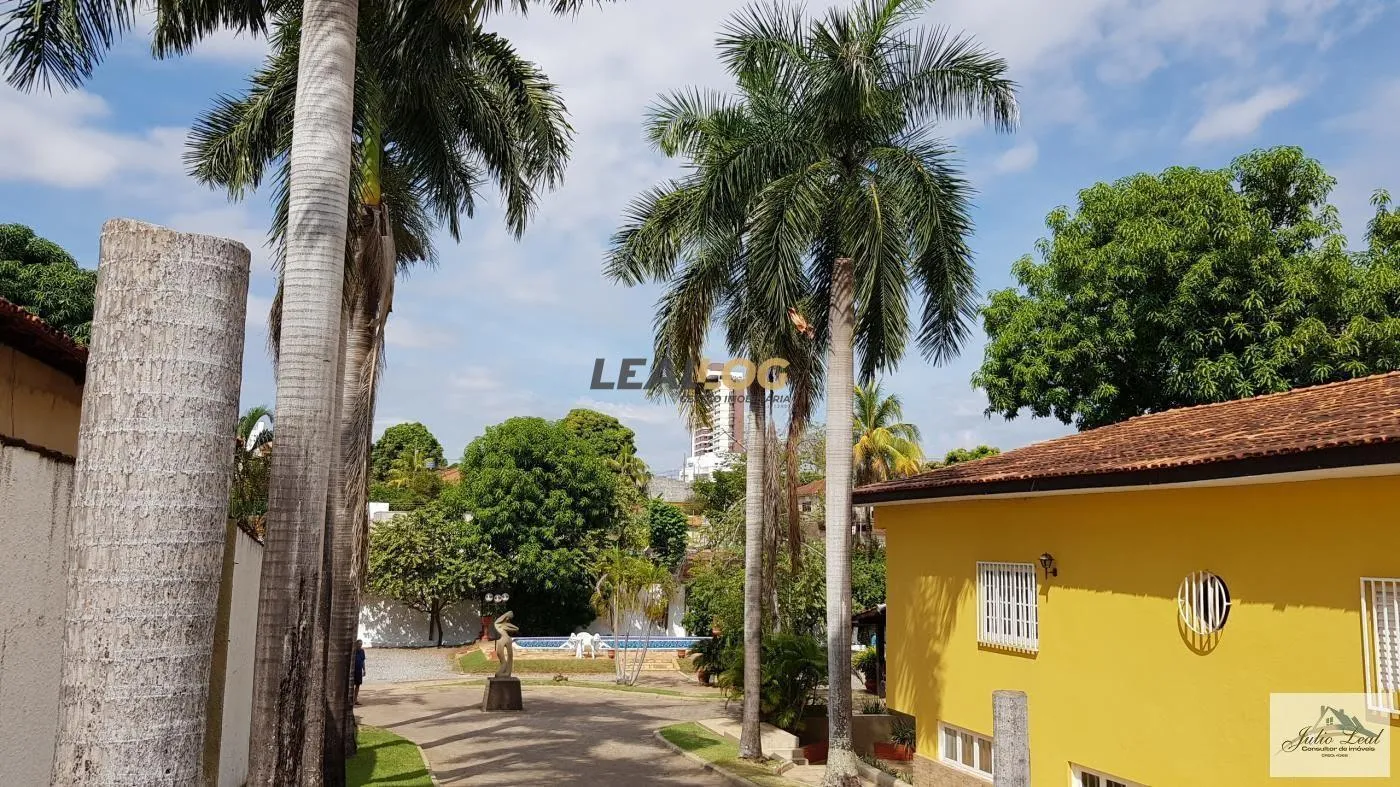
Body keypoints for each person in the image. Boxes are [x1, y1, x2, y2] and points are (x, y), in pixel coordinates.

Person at [353, 640, 366, 705]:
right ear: (356, 644)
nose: (360, 645)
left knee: (358, 685)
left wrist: (364, 670)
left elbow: (363, 661)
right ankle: (350, 699)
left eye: (361, 644)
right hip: (353, 670)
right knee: (351, 685)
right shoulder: (353, 651)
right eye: (359, 644)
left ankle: (355, 699)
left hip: (359, 670)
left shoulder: (362, 651)